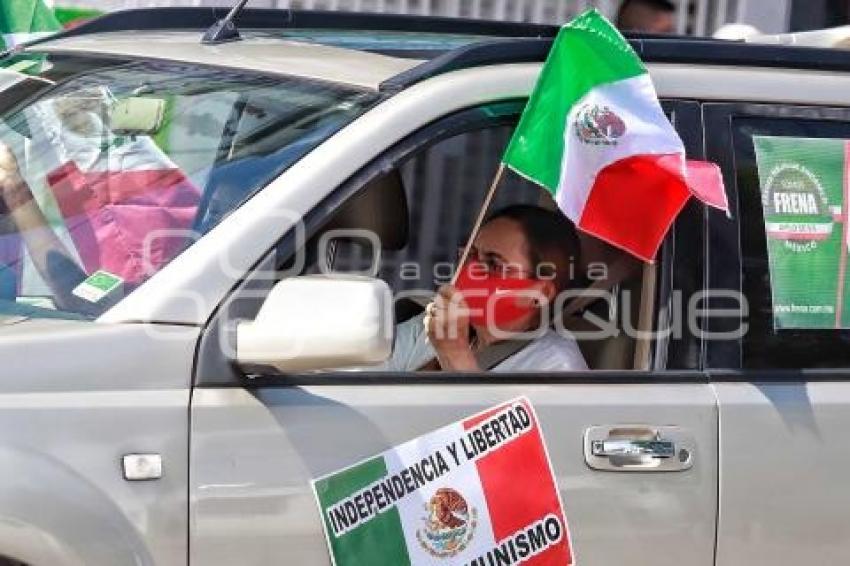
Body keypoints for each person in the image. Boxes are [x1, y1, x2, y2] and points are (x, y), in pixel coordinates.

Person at [380, 204, 588, 372]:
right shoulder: (429, 327)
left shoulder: (556, 367)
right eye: (470, 255)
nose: (471, 270)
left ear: (540, 293)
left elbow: (482, 424)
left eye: (494, 265)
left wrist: (455, 355)